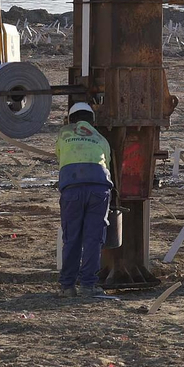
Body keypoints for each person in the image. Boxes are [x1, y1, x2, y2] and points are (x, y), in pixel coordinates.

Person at [55, 102, 120, 300]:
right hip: (98, 190)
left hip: (72, 189)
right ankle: (88, 286)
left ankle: (67, 287)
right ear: (92, 120)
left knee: (72, 237)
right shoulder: (101, 139)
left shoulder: (64, 135)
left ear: (70, 119)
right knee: (93, 238)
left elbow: (60, 157)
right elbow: (107, 165)